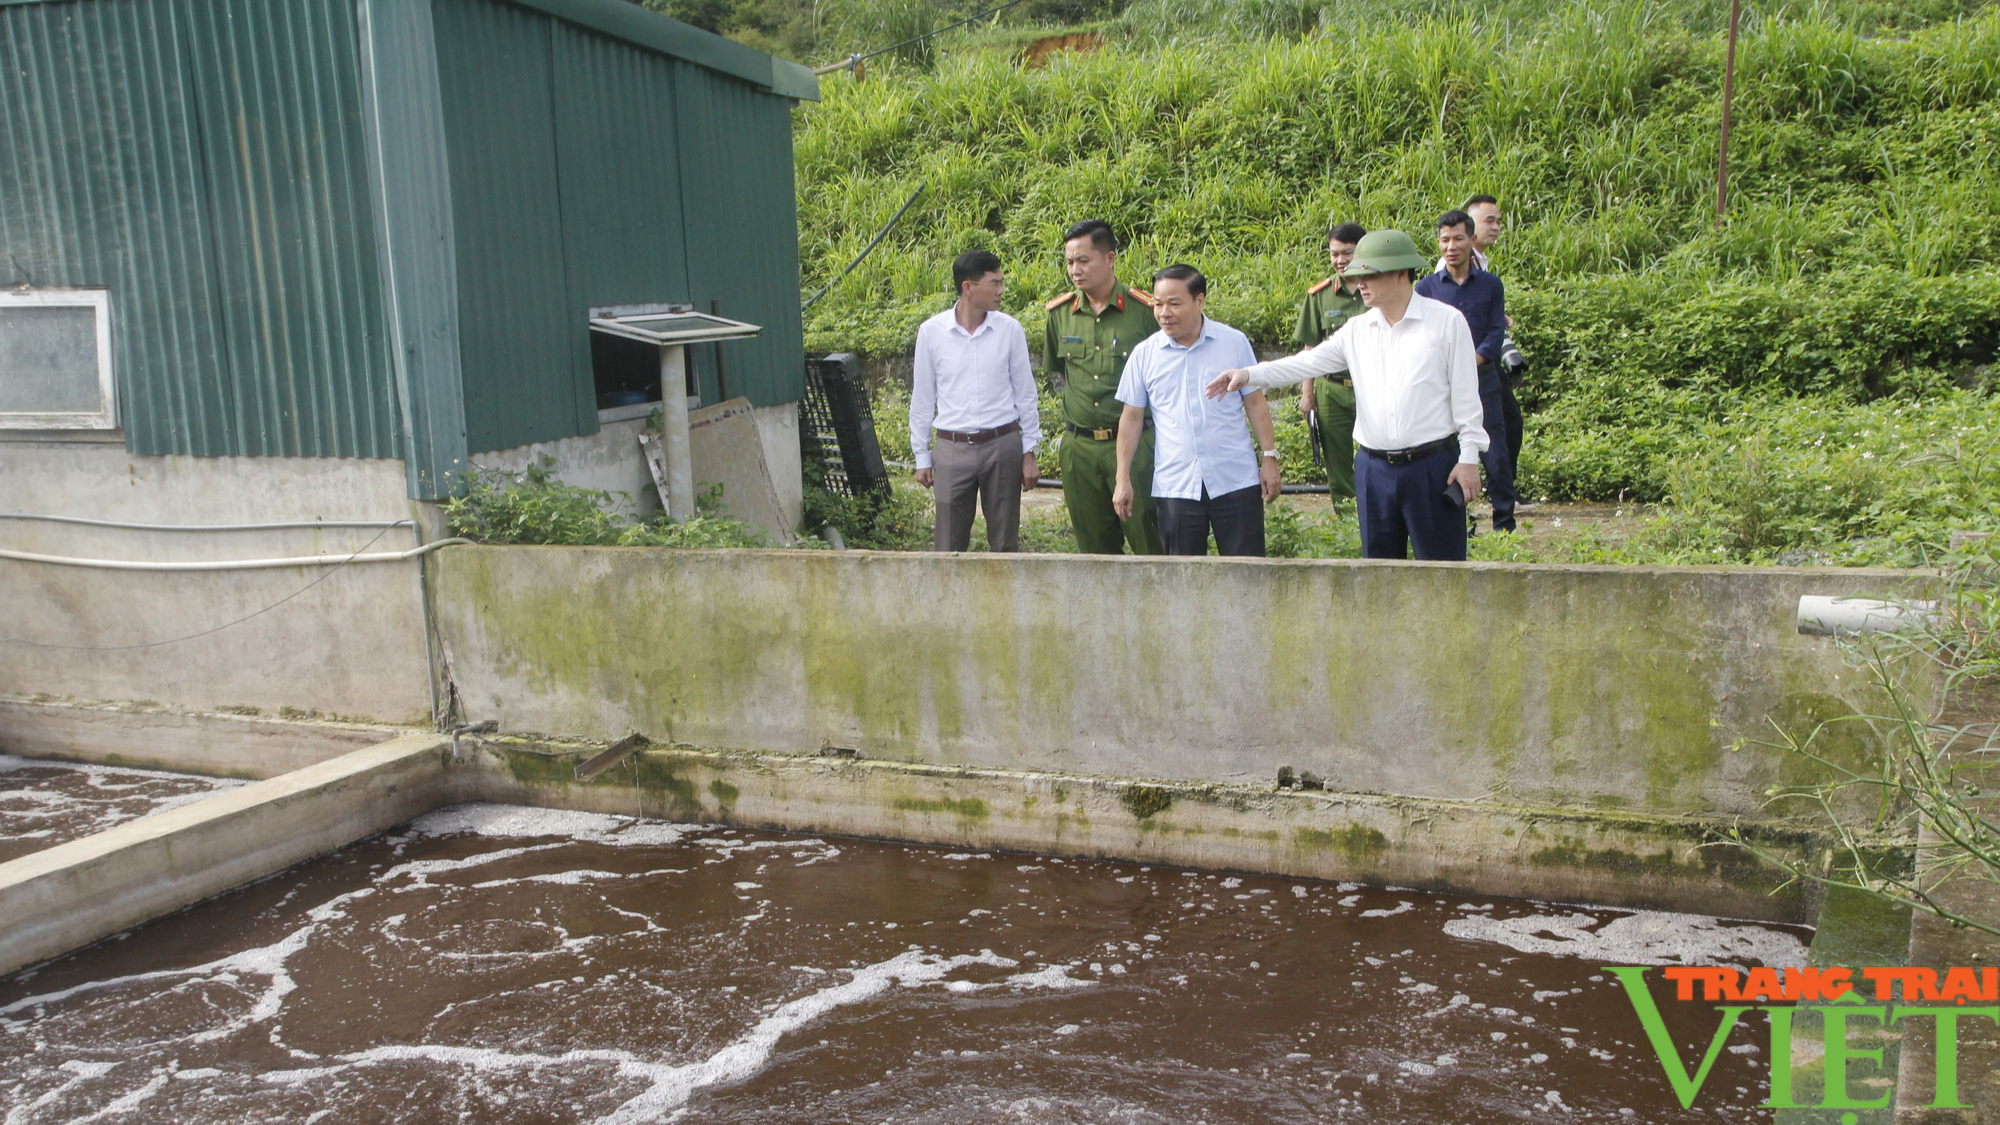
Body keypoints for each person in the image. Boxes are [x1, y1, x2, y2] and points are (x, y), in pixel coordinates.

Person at [1204, 230, 1487, 562]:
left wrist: (1468, 459)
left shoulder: (1446, 323)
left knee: (1443, 570)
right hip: (1374, 469)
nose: (1360, 283)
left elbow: (1468, 400)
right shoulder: (1357, 330)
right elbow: (1306, 363)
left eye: (1369, 275)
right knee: (1378, 573)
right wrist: (1248, 374)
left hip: (1432, 466)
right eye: (1357, 276)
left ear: (1400, 274)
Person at [1112, 265, 1280, 557]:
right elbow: (1131, 418)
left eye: (1175, 303)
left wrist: (1269, 457)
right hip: (1176, 484)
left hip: (1234, 478)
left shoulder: (1233, 342)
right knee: (1181, 579)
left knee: (1246, 573)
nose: (1164, 312)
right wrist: (1122, 478)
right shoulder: (1145, 354)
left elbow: (1255, 403)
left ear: (1199, 301)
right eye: (1158, 303)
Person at [1042, 220, 1164, 555]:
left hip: (1137, 447)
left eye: (1083, 260)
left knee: (1150, 545)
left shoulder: (1145, 312)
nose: (1074, 271)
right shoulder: (1060, 314)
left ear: (1109, 259)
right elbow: (1063, 375)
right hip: (1079, 449)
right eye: (1069, 262)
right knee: (1094, 553)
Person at [909, 249, 1042, 552]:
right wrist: (921, 455)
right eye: (994, 283)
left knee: (1005, 541)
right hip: (952, 448)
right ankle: (949, 599)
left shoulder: (1009, 330)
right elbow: (922, 399)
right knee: (949, 542)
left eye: (1001, 282)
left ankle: (1004, 598)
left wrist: (1029, 450)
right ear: (968, 287)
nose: (1001, 291)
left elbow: (1025, 393)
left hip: (1001, 444)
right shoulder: (931, 333)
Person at [1416, 210, 1516, 534]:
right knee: (1446, 451)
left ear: (1471, 241)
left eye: (1458, 238)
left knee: (1495, 453)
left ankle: (1504, 525)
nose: (1451, 246)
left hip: (1483, 380)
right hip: (1439, 383)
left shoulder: (1490, 285)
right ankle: (1461, 521)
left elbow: (1495, 331)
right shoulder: (1426, 288)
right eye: (1444, 239)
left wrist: (1469, 361)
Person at [1292, 222, 1367, 502]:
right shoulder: (1320, 296)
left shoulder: (1379, 289)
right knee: (1338, 464)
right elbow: (1310, 347)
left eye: (1347, 253)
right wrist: (1307, 393)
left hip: (1372, 386)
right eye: (1334, 254)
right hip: (1331, 390)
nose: (1340, 260)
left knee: (1381, 458)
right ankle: (1349, 528)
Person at [1464, 193, 1528, 496]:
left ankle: (1503, 491)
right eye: (1489, 220)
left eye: (1499, 221)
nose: (1497, 227)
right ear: (1470, 226)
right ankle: (1500, 496)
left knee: (1509, 423)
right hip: (1472, 361)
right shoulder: (1455, 264)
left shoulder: (1480, 262)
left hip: (1486, 356)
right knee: (1493, 428)